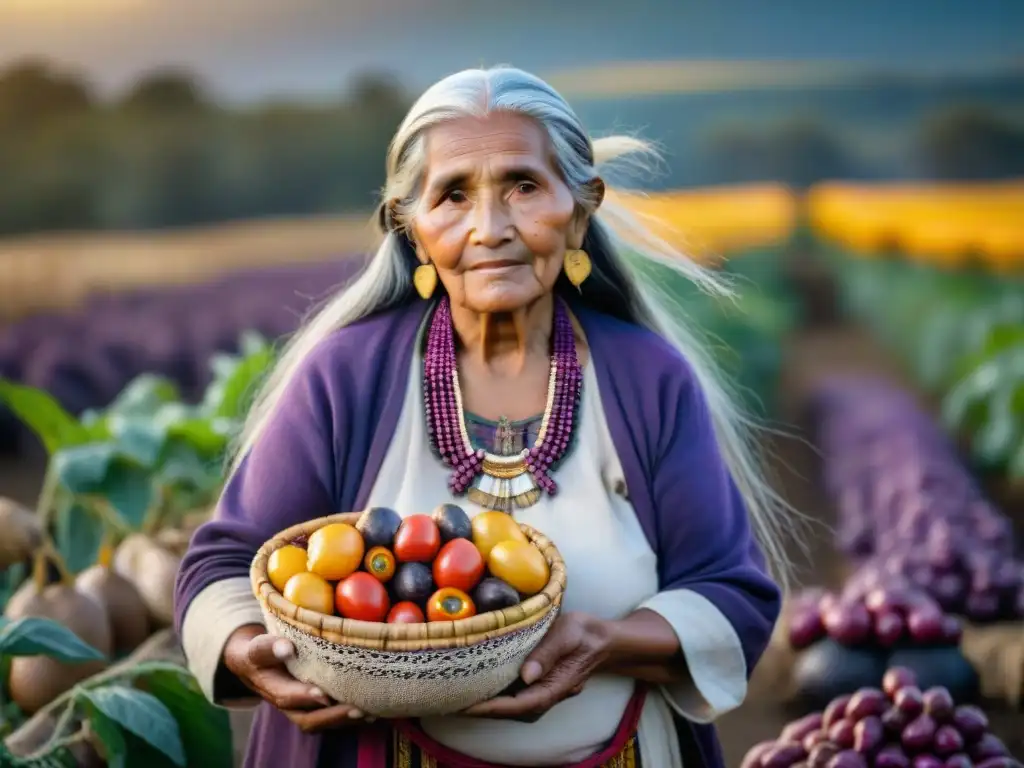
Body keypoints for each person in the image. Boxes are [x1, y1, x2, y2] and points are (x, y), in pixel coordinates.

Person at [174, 65, 791, 768]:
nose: (489, 228)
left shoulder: (649, 381)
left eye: (523, 187)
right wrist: (247, 648)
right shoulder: (345, 377)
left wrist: (608, 643)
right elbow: (223, 565)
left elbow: (730, 594)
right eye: (454, 195)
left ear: (581, 207)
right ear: (412, 226)